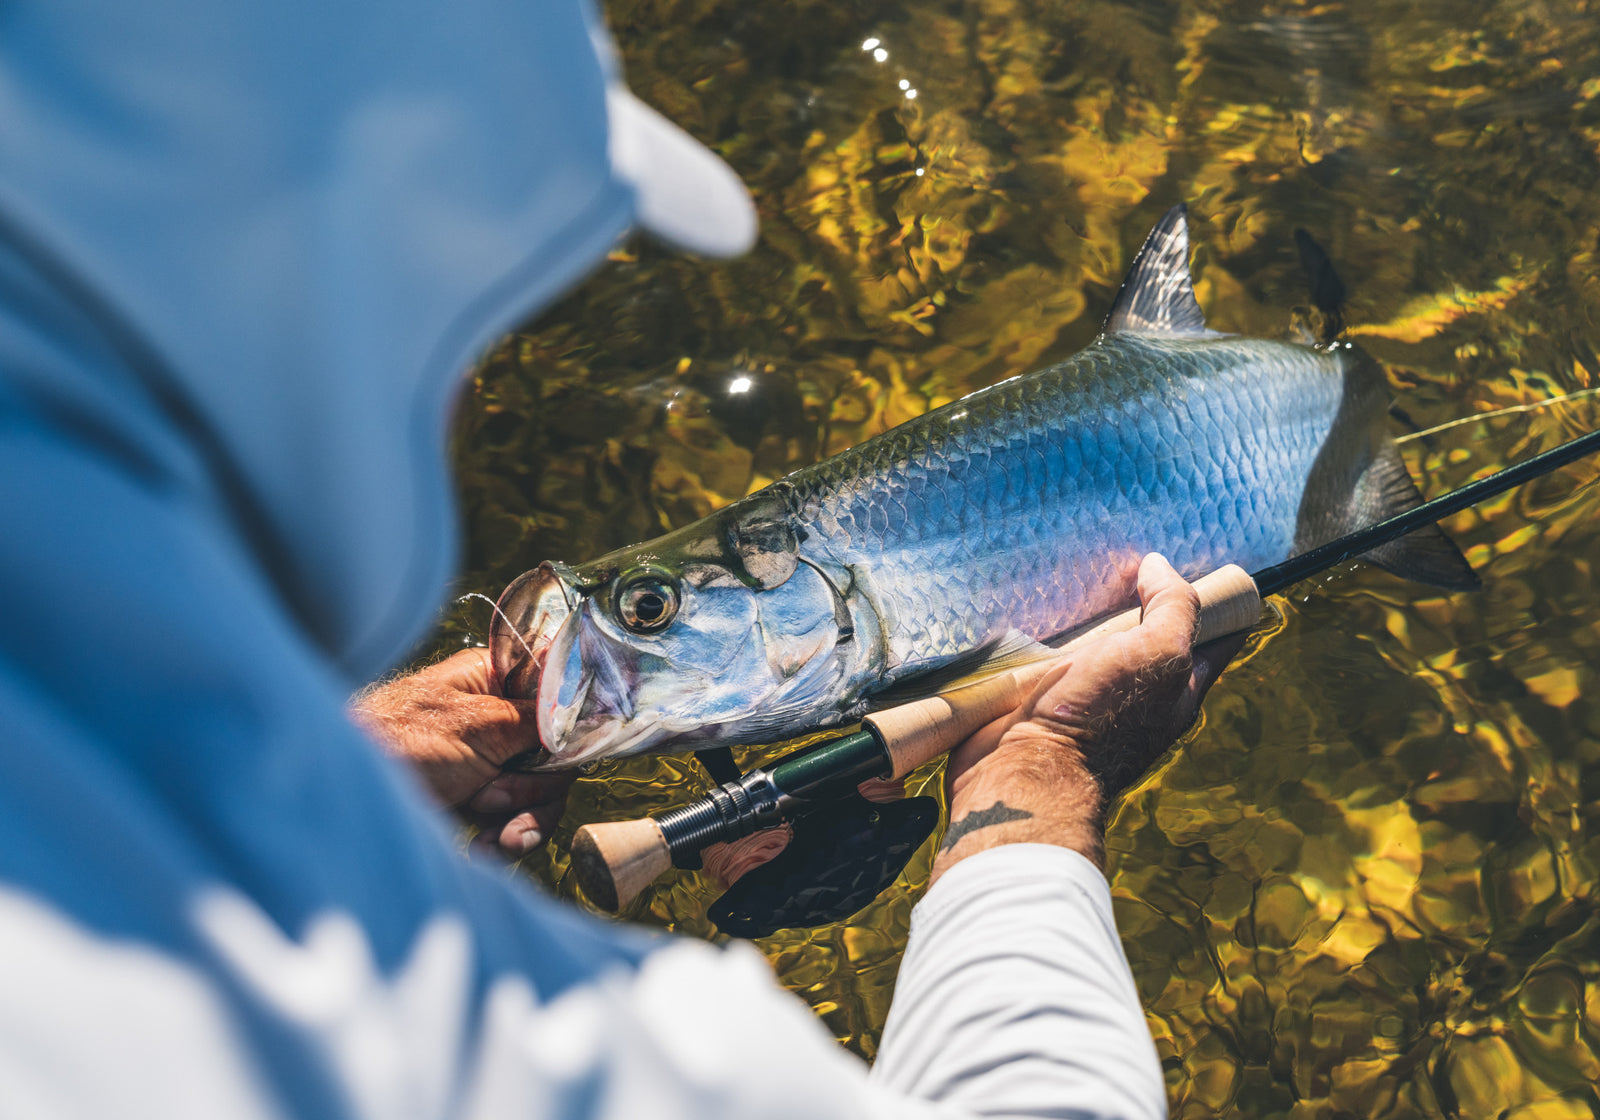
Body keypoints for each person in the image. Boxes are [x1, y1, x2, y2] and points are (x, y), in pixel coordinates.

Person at [0, 2, 1237, 1117]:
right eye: (475, 295)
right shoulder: (459, 1038)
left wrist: (311, 770)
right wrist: (1043, 777)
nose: (476, 378)